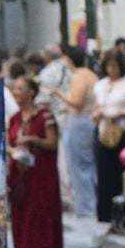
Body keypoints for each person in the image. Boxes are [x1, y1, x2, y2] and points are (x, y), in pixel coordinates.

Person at [7, 72, 64, 248]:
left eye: (20, 89)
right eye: (15, 89)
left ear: (31, 92)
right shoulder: (14, 118)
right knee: (22, 216)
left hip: (41, 173)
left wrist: (33, 140)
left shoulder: (44, 115)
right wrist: (14, 152)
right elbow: (7, 144)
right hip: (20, 174)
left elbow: (52, 142)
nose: (16, 93)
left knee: (42, 214)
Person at [46, 46, 97, 219]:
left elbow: (77, 101)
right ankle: (89, 204)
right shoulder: (91, 74)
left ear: (69, 60)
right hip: (87, 120)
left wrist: (57, 93)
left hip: (80, 121)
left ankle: (86, 207)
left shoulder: (80, 76)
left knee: (79, 166)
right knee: (87, 165)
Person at [92, 49, 125, 225]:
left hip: (123, 132)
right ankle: (105, 212)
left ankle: (122, 212)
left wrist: (122, 113)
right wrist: (97, 114)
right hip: (104, 132)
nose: (112, 70)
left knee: (121, 171)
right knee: (104, 173)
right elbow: (97, 106)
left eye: (115, 66)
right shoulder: (101, 85)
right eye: (109, 66)